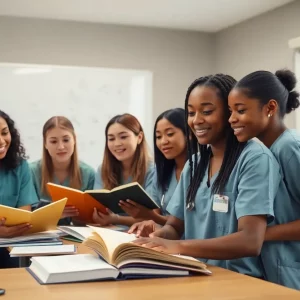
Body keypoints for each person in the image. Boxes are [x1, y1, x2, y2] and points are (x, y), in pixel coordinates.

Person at [132, 74, 280, 279]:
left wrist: (176, 246)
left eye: (207, 111)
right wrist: (157, 237)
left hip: (238, 282)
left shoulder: (255, 159)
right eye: (191, 113)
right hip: (195, 274)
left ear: (230, 111)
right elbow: (175, 226)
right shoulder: (194, 164)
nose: (196, 120)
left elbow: (250, 241)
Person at [228, 69, 300, 289]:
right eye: (230, 111)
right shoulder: (261, 152)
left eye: (240, 110)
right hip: (271, 270)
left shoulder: (289, 147)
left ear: (270, 108)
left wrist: (256, 235)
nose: (232, 119)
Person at [123, 108, 188, 229]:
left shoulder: (200, 171)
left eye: (170, 134)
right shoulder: (160, 172)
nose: (163, 141)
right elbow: (156, 213)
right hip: (163, 239)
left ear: (188, 134)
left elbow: (186, 223)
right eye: (158, 136)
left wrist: (150, 216)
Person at [92, 113, 154, 227]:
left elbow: (153, 216)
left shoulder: (152, 170)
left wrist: (116, 219)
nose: (117, 144)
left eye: (123, 137)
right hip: (108, 232)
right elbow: (97, 209)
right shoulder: (103, 170)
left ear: (139, 137)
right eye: (111, 139)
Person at [30, 116, 95, 224]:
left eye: (66, 140)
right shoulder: (31, 171)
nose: (61, 147)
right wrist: (53, 213)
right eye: (53, 141)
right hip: (39, 235)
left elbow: (90, 216)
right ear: (45, 144)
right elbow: (27, 214)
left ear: (74, 139)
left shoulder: (88, 173)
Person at [0, 110, 38, 268]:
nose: (2, 141)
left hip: (10, 246)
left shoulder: (20, 166)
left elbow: (23, 216)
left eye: (4, 132)